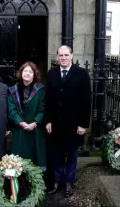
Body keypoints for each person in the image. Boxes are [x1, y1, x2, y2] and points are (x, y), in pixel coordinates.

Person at [45, 45, 91, 198]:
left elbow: (86, 100)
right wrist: (48, 121)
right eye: (61, 55)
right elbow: (48, 100)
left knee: (71, 155)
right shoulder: (51, 73)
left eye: (66, 55)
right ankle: (57, 182)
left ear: (71, 55)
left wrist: (83, 124)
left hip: (74, 124)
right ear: (57, 57)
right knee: (57, 154)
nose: (63, 58)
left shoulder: (81, 74)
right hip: (56, 124)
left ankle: (69, 183)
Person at [8, 61, 46, 167]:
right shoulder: (12, 90)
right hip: (19, 130)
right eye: (25, 71)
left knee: (35, 160)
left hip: (35, 130)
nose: (27, 73)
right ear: (21, 73)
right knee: (18, 160)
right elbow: (11, 109)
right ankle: (18, 182)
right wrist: (20, 122)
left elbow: (43, 108)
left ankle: (35, 183)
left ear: (34, 74)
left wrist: (34, 123)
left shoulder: (41, 90)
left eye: (30, 71)